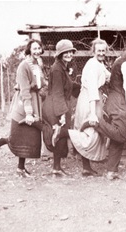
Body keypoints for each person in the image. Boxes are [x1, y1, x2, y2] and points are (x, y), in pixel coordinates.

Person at [83, 36, 126, 180]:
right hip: (118, 100)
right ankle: (96, 123)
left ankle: (112, 171)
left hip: (116, 99)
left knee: (118, 138)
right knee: (121, 135)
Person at [0, 39, 55, 177]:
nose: (37, 51)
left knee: (28, 136)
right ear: (29, 50)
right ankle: (0, 142)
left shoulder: (38, 64)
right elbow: (25, 90)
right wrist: (29, 112)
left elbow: (41, 82)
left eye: (39, 48)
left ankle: (20, 167)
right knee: (19, 135)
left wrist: (50, 85)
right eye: (34, 49)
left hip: (35, 100)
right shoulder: (23, 66)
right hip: (25, 102)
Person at [68, 38, 111, 177]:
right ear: (93, 51)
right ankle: (63, 134)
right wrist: (92, 112)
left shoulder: (100, 63)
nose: (101, 53)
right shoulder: (92, 65)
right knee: (89, 130)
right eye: (99, 51)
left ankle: (86, 167)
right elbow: (92, 89)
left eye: (103, 50)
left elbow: (107, 75)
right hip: (89, 99)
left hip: (96, 98)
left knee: (91, 131)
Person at [42, 39, 77, 177]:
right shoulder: (57, 69)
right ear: (60, 54)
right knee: (59, 133)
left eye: (70, 51)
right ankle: (56, 167)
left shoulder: (63, 67)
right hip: (55, 105)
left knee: (61, 135)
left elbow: (68, 86)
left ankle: (56, 167)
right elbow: (57, 92)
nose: (69, 54)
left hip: (62, 104)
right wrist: (61, 113)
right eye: (65, 52)